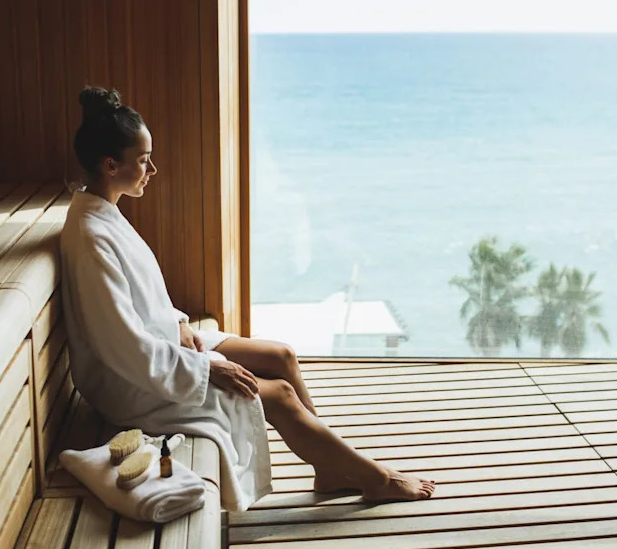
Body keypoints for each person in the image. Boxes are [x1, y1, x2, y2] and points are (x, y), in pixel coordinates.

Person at [60, 86, 435, 511]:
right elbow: (123, 347)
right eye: (144, 160)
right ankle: (377, 478)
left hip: (166, 345)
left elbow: (142, 300)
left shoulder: (102, 212)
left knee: (281, 355)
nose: (153, 169)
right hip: (134, 382)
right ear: (111, 165)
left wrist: (180, 323)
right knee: (277, 395)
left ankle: (328, 469)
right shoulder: (92, 237)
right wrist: (206, 369)